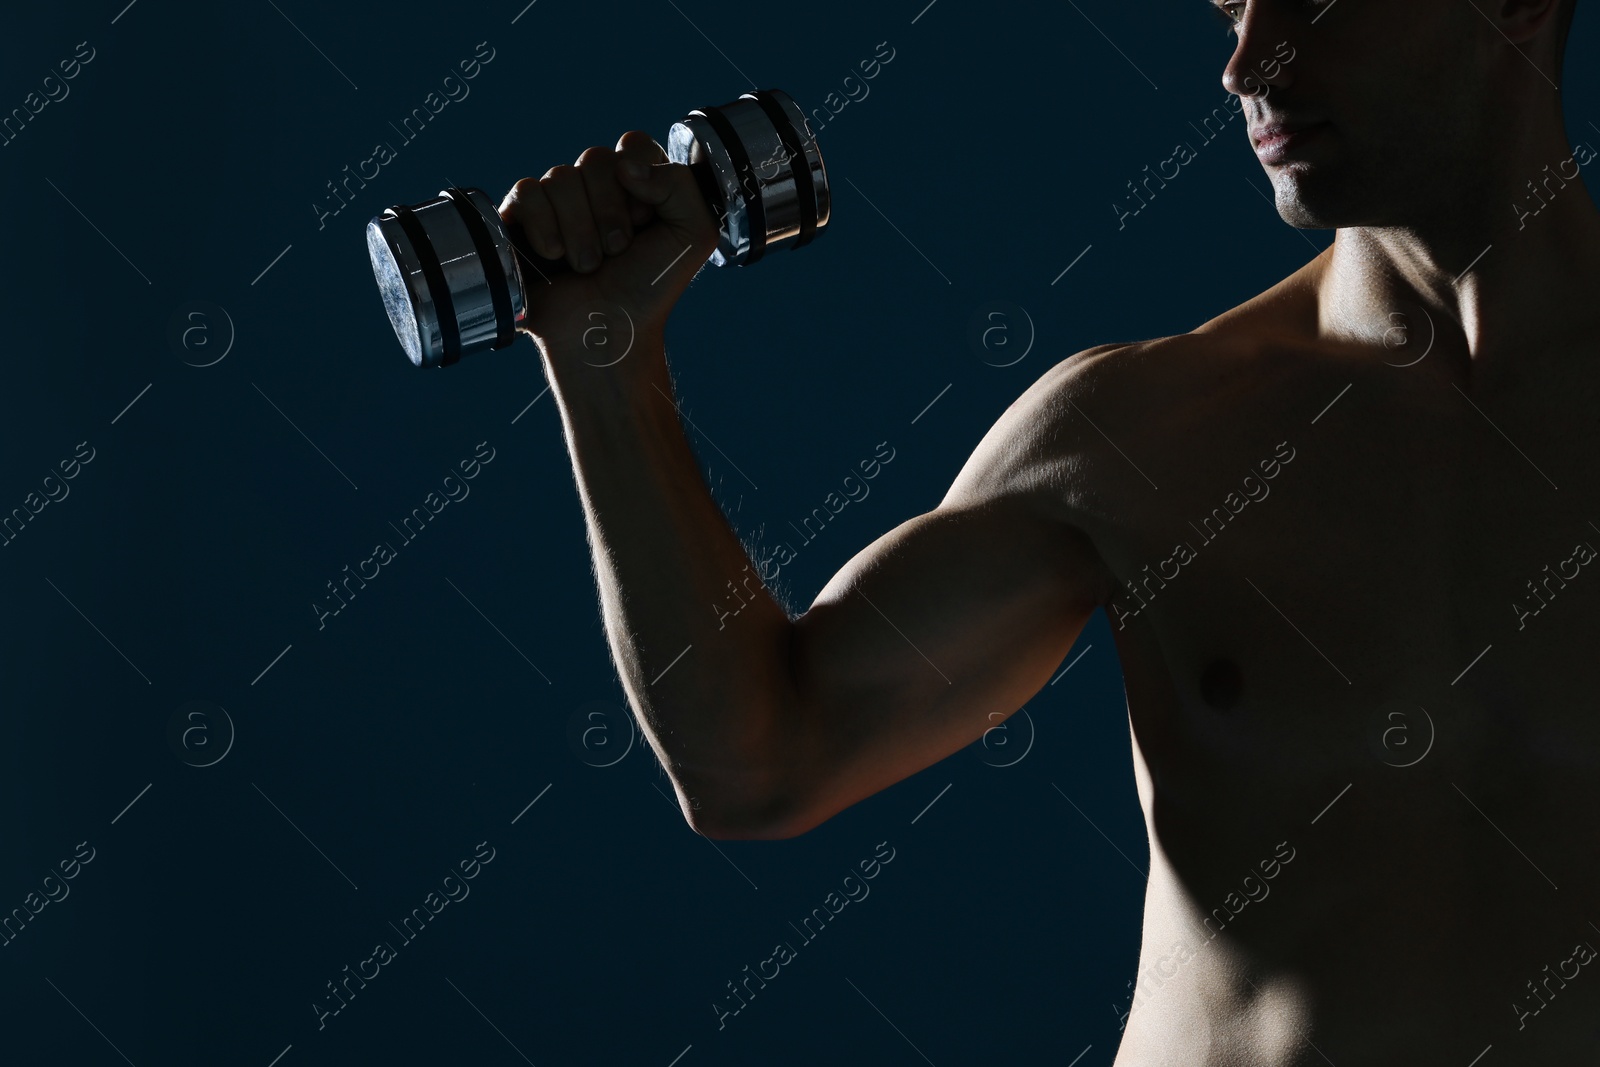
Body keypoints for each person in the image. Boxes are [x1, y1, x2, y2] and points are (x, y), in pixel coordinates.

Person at [497, 0, 1600, 1059]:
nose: (1245, 63)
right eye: (1228, 12)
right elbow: (760, 760)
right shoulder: (1144, 435)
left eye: (1310, 0)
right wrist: (609, 370)